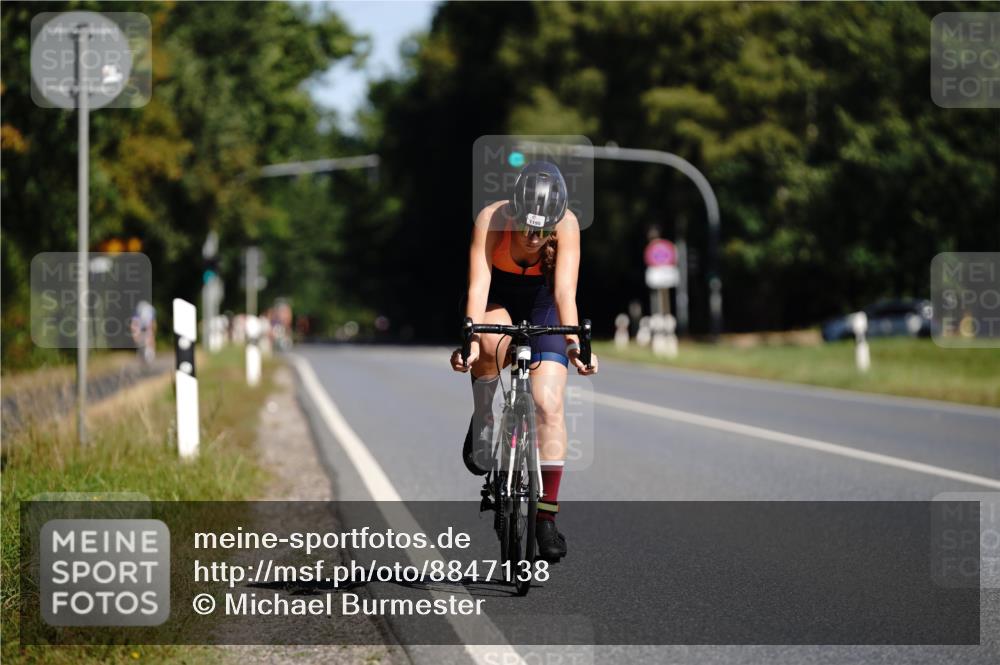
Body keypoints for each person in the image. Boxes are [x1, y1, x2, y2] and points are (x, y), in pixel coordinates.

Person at [450, 161, 599, 563]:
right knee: (488, 345)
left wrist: (575, 347)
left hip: (544, 304)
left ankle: (545, 518)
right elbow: (478, 287)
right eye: (526, 227)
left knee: (548, 402)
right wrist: (469, 344)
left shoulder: (566, 225)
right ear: (512, 211)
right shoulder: (491, 219)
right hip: (497, 300)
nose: (533, 238)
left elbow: (566, 294)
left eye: (542, 230)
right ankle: (483, 417)